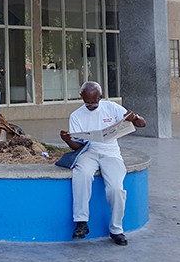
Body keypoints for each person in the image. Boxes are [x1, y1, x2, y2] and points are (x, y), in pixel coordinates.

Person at [59, 81, 146, 246]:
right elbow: (77, 146)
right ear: (82, 98)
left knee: (116, 188)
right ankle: (81, 221)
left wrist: (134, 117)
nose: (91, 105)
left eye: (94, 102)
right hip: (89, 152)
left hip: (111, 154)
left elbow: (142, 124)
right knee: (82, 174)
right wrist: (67, 140)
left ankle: (116, 229)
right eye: (87, 102)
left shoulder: (112, 108)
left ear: (100, 97)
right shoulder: (76, 116)